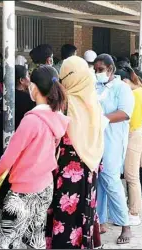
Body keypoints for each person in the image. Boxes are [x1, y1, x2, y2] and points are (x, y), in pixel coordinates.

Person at [0, 65, 69, 249]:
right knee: (35, 237)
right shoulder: (58, 117)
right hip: (45, 186)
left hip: (23, 190)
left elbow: (10, 155)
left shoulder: (32, 120)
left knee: (4, 241)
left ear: (34, 88)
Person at [44, 56, 104, 249]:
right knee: (85, 213)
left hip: (67, 172)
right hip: (90, 169)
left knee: (65, 216)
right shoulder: (93, 102)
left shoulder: (64, 104)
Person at [94, 54, 134, 244]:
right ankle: (100, 221)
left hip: (113, 141)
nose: (97, 73)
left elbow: (125, 113)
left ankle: (125, 225)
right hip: (96, 141)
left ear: (110, 69)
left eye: (100, 69)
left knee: (111, 180)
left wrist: (103, 119)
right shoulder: (96, 86)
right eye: (95, 69)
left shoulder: (122, 88)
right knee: (98, 182)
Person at [115, 64, 142, 226]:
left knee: (132, 176)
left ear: (126, 81)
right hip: (135, 134)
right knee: (131, 176)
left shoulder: (135, 95)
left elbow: (131, 120)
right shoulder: (139, 91)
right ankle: (132, 209)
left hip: (133, 135)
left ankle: (134, 212)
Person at [15, 65, 36, 130]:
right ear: (21, 80)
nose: (29, 78)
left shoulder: (6, 95)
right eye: (28, 75)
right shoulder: (29, 99)